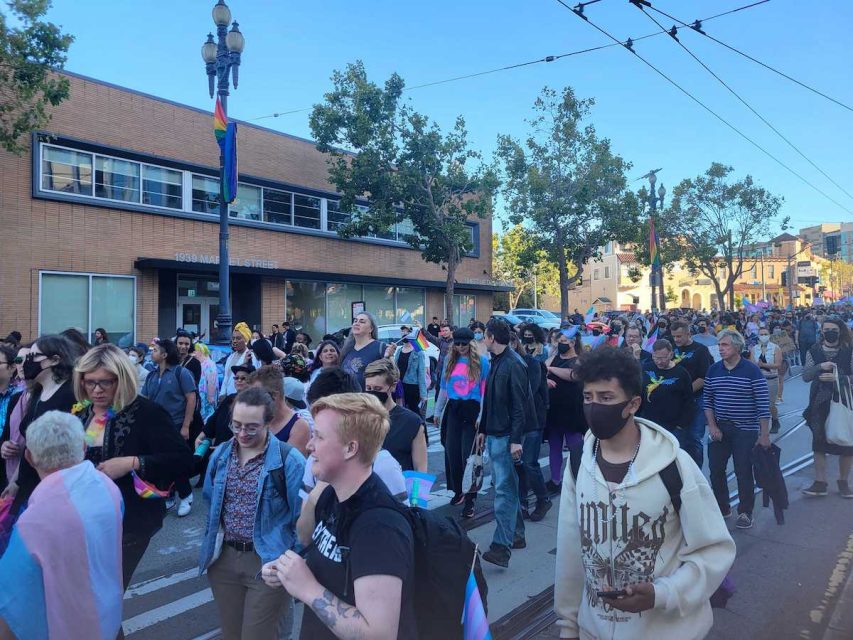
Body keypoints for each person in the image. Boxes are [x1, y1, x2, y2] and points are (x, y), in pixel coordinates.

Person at [554, 347, 735, 640]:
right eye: (588, 397)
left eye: (606, 398)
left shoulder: (674, 466)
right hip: (593, 630)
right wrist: (569, 626)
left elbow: (714, 549)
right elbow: (571, 549)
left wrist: (661, 594)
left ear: (633, 404)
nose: (594, 406)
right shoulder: (578, 462)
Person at [263, 393, 417, 640]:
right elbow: (325, 563)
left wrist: (308, 589)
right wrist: (287, 571)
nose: (309, 445)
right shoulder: (331, 496)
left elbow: (379, 634)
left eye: (319, 436)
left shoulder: (379, 528)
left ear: (350, 448)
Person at [72, 344, 193, 587]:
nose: (96, 390)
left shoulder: (147, 412)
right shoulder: (82, 413)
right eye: (89, 382)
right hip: (85, 518)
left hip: (129, 520)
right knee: (88, 591)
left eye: (105, 382)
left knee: (106, 591)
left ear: (122, 379)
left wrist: (133, 462)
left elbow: (182, 459)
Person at [0, 411, 125, 640]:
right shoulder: (108, 488)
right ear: (83, 448)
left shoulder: (33, 522)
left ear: (29, 457)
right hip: (107, 613)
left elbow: (11, 601)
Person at [200, 387, 305, 640]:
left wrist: (289, 563)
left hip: (267, 561)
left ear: (269, 423)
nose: (242, 433)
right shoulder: (222, 454)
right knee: (232, 633)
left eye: (251, 427)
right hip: (224, 559)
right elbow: (209, 498)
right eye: (236, 425)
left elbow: (302, 520)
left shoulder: (289, 461)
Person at [2, 335, 77, 514]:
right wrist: (15, 482)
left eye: (32, 357)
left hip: (53, 489)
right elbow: (30, 444)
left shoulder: (70, 394)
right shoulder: (38, 393)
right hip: (28, 483)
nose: (25, 362)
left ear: (54, 360)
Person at [705, 330, 771, 529]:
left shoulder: (751, 370)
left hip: (745, 430)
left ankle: (745, 512)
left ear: (737, 348)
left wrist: (764, 434)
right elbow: (707, 400)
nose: (720, 348)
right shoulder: (713, 370)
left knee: (743, 471)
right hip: (720, 429)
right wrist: (713, 426)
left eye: (725, 345)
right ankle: (723, 507)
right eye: (720, 344)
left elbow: (763, 403)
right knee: (716, 470)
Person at [478, 318, 530, 567]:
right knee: (505, 486)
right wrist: (483, 429)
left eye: (484, 336)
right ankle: (516, 535)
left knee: (503, 491)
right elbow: (491, 400)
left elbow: (520, 406)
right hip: (496, 433)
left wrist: (516, 440)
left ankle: (501, 547)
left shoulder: (513, 364)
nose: (482, 340)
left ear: (491, 338)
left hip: (505, 436)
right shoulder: (499, 361)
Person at [140, 338, 197, 516]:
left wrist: (186, 426)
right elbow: (146, 400)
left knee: (175, 462)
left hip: (176, 424)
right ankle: (169, 496)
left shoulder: (181, 373)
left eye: (155, 350)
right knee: (160, 462)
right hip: (155, 428)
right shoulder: (151, 375)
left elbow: (191, 398)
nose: (152, 353)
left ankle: (186, 495)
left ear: (164, 354)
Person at [439, 327, 490, 517]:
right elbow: (443, 387)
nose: (460, 347)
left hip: (473, 409)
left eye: (464, 343)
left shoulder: (482, 363)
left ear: (471, 343)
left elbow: (485, 392)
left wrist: (481, 417)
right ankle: (458, 489)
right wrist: (437, 411)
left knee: (469, 455)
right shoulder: (449, 360)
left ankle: (471, 499)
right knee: (452, 452)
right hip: (453, 409)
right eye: (457, 343)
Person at [801, 317, 852, 498]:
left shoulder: (849, 350)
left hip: (845, 402)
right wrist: (820, 367)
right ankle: (820, 481)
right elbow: (806, 376)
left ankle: (844, 481)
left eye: (833, 329)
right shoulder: (813, 351)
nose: (829, 332)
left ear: (840, 331)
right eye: (826, 329)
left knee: (847, 443)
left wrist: (839, 378)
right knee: (819, 443)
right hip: (819, 403)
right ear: (821, 331)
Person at [364, 359, 427, 472]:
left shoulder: (412, 422)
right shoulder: (357, 418)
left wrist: (417, 490)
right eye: (368, 388)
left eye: (378, 389)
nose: (372, 393)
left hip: (400, 488)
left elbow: (421, 469)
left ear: (393, 387)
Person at [514, 330, 551, 521]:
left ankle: (543, 499)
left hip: (533, 419)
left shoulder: (532, 363)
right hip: (516, 421)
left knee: (529, 463)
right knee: (518, 465)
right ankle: (522, 502)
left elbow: (530, 389)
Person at [544, 329, 587, 493]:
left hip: (572, 412)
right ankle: (555, 480)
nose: (561, 344)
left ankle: (579, 481)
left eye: (564, 341)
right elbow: (542, 369)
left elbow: (574, 375)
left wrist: (552, 370)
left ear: (573, 342)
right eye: (559, 340)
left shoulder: (579, 360)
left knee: (575, 448)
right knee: (554, 447)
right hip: (554, 410)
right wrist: (546, 376)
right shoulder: (553, 358)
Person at [671, 321, 714, 467]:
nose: (676, 340)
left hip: (697, 400)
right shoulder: (672, 350)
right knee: (679, 439)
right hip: (677, 403)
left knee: (694, 438)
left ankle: (697, 474)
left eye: (679, 336)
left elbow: (703, 377)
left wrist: (686, 392)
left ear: (689, 334)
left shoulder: (700, 350)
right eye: (674, 336)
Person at [640, 339, 695, 443]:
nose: (659, 361)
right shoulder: (646, 368)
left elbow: (689, 401)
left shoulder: (681, 373)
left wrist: (681, 425)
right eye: (655, 357)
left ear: (671, 355)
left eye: (663, 358)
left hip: (672, 427)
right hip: (648, 424)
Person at [248, 365, 311, 456]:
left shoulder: (299, 427)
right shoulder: (255, 417)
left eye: (256, 395)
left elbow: (287, 466)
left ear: (274, 396)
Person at [200, 363, 255, 448]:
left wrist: (226, 447)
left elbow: (247, 432)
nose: (239, 380)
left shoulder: (254, 403)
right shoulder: (229, 398)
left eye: (243, 378)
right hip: (218, 449)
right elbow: (214, 419)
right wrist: (200, 436)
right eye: (236, 378)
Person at [340, 312, 387, 390]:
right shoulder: (347, 348)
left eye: (362, 322)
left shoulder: (380, 348)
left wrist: (389, 357)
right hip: (347, 399)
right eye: (355, 321)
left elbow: (392, 375)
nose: (357, 323)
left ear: (371, 329)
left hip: (368, 399)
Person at [752, 326, 783, 433]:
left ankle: (775, 421)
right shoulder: (754, 349)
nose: (763, 336)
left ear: (769, 335)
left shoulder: (775, 348)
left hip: (772, 379)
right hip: (759, 380)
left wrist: (763, 364)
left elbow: (778, 365)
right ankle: (762, 425)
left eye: (765, 334)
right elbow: (752, 364)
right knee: (758, 404)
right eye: (761, 334)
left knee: (770, 404)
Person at [390, 328, 427, 415]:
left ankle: (420, 428)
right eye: (402, 331)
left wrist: (423, 393)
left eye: (408, 332)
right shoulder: (399, 350)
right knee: (401, 411)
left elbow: (421, 373)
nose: (404, 333)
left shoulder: (418, 352)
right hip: (400, 385)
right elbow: (394, 368)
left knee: (414, 412)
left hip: (412, 387)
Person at [220, 322, 260, 400]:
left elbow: (252, 379)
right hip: (227, 398)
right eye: (233, 338)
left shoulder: (250, 356)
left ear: (246, 340)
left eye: (238, 338)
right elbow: (226, 378)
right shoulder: (231, 357)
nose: (234, 341)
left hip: (242, 398)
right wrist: (222, 394)